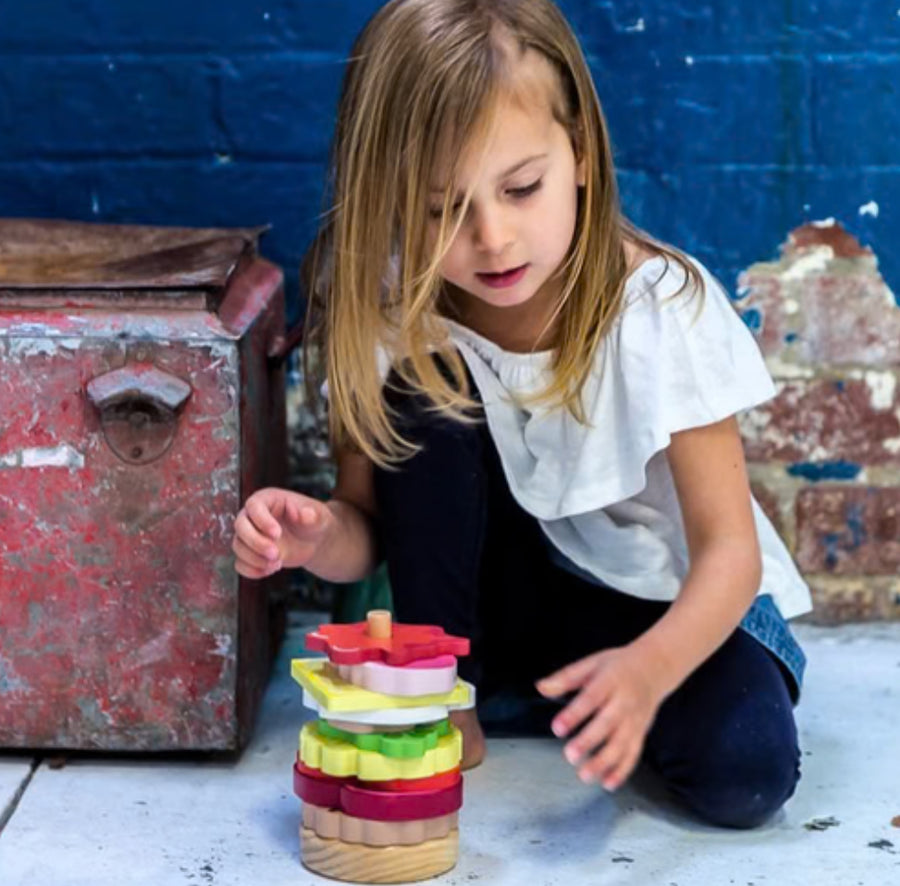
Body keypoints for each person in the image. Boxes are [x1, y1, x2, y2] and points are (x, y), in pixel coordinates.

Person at [232, 0, 811, 830]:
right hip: (487, 601)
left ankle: (593, 700)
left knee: (746, 772)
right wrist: (316, 534)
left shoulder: (659, 308)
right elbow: (373, 527)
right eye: (441, 209)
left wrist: (648, 673)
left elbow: (729, 556)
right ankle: (450, 694)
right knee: (427, 395)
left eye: (522, 187)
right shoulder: (391, 306)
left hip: (656, 601)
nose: (493, 238)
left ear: (579, 150)